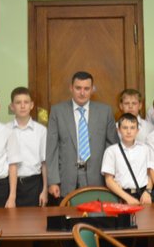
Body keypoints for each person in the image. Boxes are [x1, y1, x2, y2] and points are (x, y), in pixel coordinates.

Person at [46, 71, 119, 199]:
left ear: (92, 89)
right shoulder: (57, 111)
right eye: (78, 88)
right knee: (68, 211)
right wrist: (53, 181)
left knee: (97, 212)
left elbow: (113, 147)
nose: (82, 93)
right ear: (71, 88)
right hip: (66, 178)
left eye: (86, 88)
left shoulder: (105, 111)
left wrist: (112, 177)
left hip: (98, 177)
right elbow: (52, 149)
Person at [8, 86, 48, 207]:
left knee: (35, 218)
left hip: (34, 184)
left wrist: (45, 190)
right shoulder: (5, 130)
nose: (22, 106)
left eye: (26, 102)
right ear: (12, 106)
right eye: (18, 102)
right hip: (10, 184)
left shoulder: (41, 131)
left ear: (31, 105)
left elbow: (44, 163)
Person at [101, 113, 153, 205]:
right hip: (121, 196)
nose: (129, 132)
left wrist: (148, 191)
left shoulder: (145, 149)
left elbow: (150, 173)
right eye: (125, 128)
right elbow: (109, 180)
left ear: (137, 130)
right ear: (118, 130)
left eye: (132, 128)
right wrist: (127, 198)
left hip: (143, 195)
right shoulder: (111, 151)